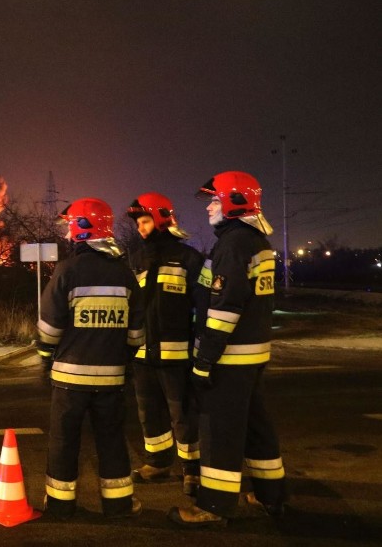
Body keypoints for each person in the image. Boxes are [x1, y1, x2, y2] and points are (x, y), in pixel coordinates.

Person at [169, 171, 288, 527]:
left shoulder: (234, 244)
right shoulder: (255, 241)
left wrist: (205, 358)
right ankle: (272, 496)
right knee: (255, 426)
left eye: (215, 199)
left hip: (229, 358)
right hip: (251, 356)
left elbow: (223, 309)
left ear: (235, 203)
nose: (209, 206)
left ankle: (215, 505)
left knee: (219, 430)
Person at [36, 197, 145, 519]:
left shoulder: (68, 270)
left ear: (81, 229)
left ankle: (59, 505)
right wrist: (123, 358)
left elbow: (49, 327)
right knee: (111, 440)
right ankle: (119, 504)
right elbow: (137, 332)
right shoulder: (125, 275)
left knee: (63, 442)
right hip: (112, 379)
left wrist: (45, 356)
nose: (68, 234)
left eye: (71, 227)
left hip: (69, 380)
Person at [126, 192, 204, 496]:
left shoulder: (190, 258)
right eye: (138, 223)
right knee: (149, 411)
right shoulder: (136, 258)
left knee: (183, 415)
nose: (140, 228)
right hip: (143, 353)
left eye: (144, 221)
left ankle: (192, 471)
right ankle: (157, 463)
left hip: (177, 354)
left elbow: (202, 306)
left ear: (160, 220)